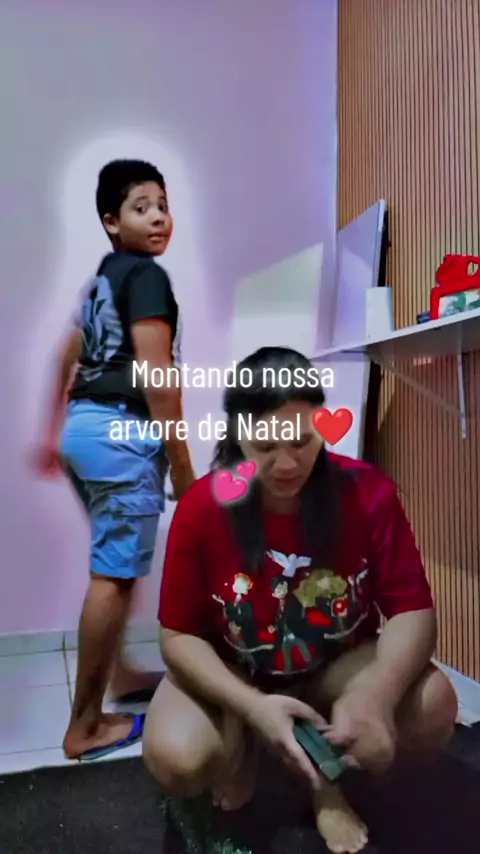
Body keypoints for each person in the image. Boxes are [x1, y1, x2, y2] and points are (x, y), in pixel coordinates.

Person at [142, 346, 457, 854]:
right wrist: (253, 706)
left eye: (302, 441)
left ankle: (322, 778)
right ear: (237, 433)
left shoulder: (367, 492)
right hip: (239, 669)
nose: (288, 463)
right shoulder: (203, 506)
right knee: (177, 754)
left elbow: (412, 610)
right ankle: (251, 738)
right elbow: (177, 637)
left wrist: (376, 694)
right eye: (266, 445)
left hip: (331, 667)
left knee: (432, 704)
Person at [34, 159, 195, 761]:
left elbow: (65, 355)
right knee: (115, 576)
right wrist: (184, 469)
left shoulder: (105, 279)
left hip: (85, 431)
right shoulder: (147, 276)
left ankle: (121, 676)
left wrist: (53, 433)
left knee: (117, 564)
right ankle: (85, 725)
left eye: (163, 206)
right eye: (140, 207)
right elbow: (158, 377)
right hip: (122, 436)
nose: (158, 218)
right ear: (111, 220)